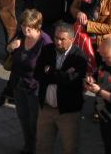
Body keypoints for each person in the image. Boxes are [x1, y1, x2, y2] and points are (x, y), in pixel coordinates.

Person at [34, 22, 87, 154]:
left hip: (68, 112)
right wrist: (62, 75)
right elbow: (38, 74)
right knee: (42, 146)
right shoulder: (47, 50)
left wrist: (50, 71)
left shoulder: (79, 56)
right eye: (56, 37)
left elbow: (72, 82)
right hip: (45, 109)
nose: (58, 42)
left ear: (71, 39)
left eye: (62, 39)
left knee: (70, 148)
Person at [6, 9, 52, 154]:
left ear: (37, 27)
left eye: (29, 27)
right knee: (23, 117)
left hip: (35, 87)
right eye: (23, 25)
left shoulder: (45, 42)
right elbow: (9, 50)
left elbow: (51, 67)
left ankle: (39, 148)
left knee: (35, 121)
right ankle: (29, 146)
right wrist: (10, 48)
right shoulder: (21, 35)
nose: (25, 29)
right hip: (18, 83)